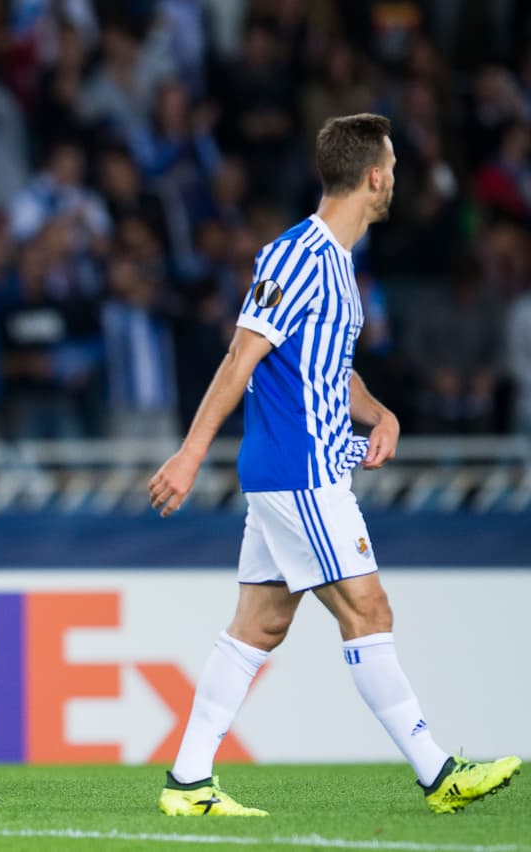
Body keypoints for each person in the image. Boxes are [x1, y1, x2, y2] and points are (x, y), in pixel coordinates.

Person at [147, 113, 522, 817]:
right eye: (393, 168)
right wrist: (192, 452)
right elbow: (242, 356)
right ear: (374, 175)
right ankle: (438, 772)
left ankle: (188, 781)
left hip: (299, 467)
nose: (395, 181)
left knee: (258, 625)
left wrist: (377, 412)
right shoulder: (295, 255)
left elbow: (325, 368)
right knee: (368, 607)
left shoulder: (337, 265)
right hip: (302, 471)